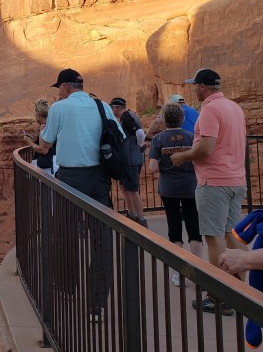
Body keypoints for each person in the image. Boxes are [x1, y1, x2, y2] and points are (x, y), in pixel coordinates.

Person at [38, 68, 123, 323]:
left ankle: (66, 289)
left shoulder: (59, 108)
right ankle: (96, 305)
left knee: (65, 235)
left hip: (70, 178)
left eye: (59, 88)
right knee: (101, 241)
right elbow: (119, 134)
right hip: (98, 179)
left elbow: (45, 144)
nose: (60, 92)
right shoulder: (102, 106)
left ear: (65, 87)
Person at [171, 68, 248, 315]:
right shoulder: (234, 107)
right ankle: (242, 291)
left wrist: (182, 156)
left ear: (202, 87)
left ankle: (218, 296)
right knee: (232, 235)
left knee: (214, 237)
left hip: (214, 181)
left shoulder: (210, 109)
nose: (194, 89)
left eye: (195, 85)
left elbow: (206, 148)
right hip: (236, 179)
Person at [148, 103, 202, 286]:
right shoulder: (191, 137)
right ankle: (198, 271)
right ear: (182, 118)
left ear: (164, 119)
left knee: (174, 228)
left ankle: (180, 273)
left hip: (169, 188)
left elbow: (153, 167)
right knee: (194, 227)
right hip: (190, 187)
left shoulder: (158, 139)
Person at [110, 97, 147, 227]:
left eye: (112, 108)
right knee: (126, 187)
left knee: (132, 189)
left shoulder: (126, 117)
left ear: (116, 108)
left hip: (131, 159)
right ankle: (132, 215)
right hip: (129, 159)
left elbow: (140, 132)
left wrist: (139, 145)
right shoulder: (129, 115)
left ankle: (141, 220)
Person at [22, 98, 56, 172]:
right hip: (52, 165)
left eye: (35, 114)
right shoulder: (51, 124)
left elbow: (43, 150)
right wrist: (35, 140)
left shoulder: (43, 126)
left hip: (47, 169)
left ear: (39, 115)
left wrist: (29, 142)